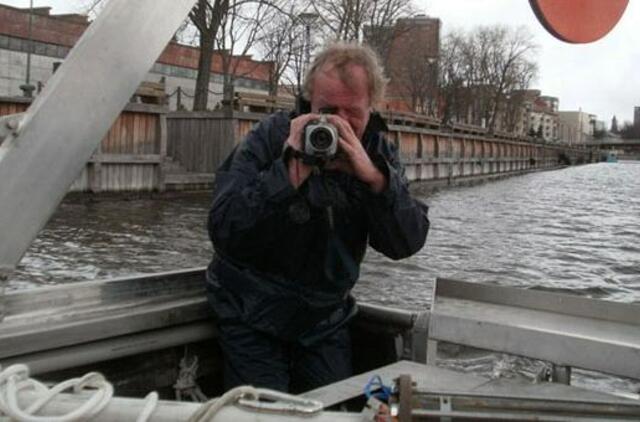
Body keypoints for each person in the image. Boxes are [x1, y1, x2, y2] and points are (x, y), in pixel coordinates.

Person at [206, 42, 429, 393]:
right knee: (264, 416)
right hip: (250, 310)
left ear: (372, 107)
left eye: (351, 113)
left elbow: (406, 242)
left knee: (333, 407)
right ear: (309, 101)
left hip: (324, 318)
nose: (338, 124)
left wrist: (373, 179)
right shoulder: (271, 138)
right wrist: (290, 172)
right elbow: (224, 229)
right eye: (327, 110)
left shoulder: (378, 153)